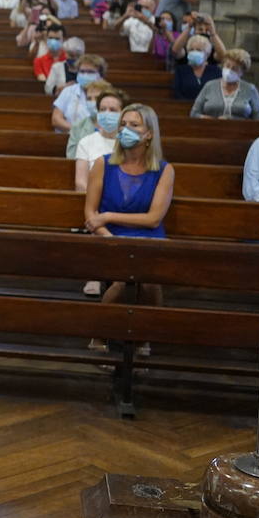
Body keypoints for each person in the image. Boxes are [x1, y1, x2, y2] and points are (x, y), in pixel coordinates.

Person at [84, 105, 175, 352]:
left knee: (149, 280)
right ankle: (100, 335)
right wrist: (108, 233)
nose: (126, 129)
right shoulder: (103, 165)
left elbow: (154, 219)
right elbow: (91, 215)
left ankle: (142, 339)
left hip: (148, 238)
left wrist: (110, 215)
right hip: (109, 238)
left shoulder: (164, 170)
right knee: (127, 278)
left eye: (134, 125)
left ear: (149, 134)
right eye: (123, 124)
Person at [73, 87, 128, 191]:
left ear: (123, 114)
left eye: (113, 110)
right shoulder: (85, 142)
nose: (107, 113)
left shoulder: (129, 142)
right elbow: (81, 183)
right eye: (102, 109)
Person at [191, 48, 259, 120]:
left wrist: (234, 120)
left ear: (242, 72)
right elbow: (194, 113)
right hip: (210, 128)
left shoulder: (250, 89)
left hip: (241, 129)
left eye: (235, 68)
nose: (229, 71)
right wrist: (209, 119)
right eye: (227, 66)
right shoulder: (209, 86)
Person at [51, 54, 108, 132]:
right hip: (70, 136)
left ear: (100, 75)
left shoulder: (108, 92)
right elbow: (56, 119)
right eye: (82, 71)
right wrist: (78, 131)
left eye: (90, 72)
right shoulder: (68, 91)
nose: (85, 75)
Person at [173, 33, 222, 101]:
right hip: (184, 107)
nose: (194, 52)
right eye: (191, 49)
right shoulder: (181, 70)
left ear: (207, 54)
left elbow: (218, 93)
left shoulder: (216, 71)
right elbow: (177, 92)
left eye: (199, 50)